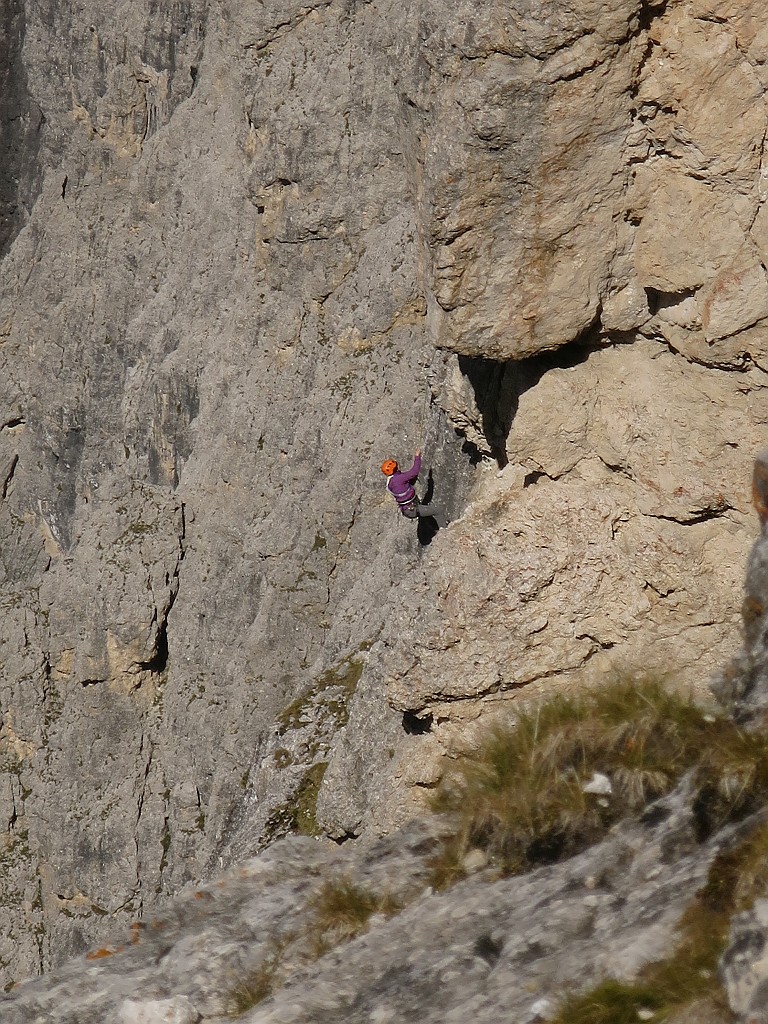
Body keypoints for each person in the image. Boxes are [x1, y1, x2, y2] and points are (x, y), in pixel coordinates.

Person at [381, 450, 430, 519]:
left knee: (426, 516)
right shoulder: (398, 479)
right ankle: (444, 528)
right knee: (438, 511)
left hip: (407, 509)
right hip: (412, 508)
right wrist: (417, 457)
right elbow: (414, 472)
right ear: (395, 468)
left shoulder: (390, 482)